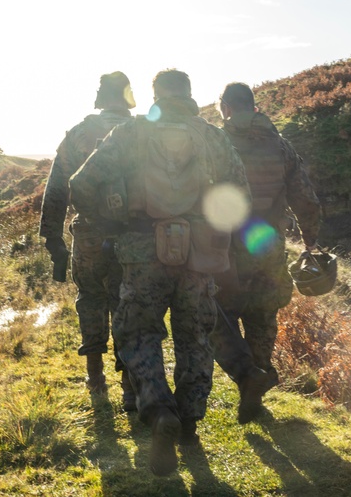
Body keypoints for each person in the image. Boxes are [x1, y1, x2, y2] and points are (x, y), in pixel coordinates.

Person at [69, 69, 250, 476]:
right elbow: (240, 191)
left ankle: (157, 409)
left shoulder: (130, 134)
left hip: (140, 251)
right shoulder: (211, 135)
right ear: (189, 94)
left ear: (153, 95)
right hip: (199, 255)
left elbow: (81, 183)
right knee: (196, 334)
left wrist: (111, 223)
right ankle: (188, 421)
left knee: (138, 333)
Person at [212, 82, 322, 423]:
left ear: (226, 108)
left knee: (216, 317)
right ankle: (255, 392)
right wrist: (310, 242)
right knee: (262, 317)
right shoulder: (280, 145)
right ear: (254, 106)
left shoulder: (215, 144)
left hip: (225, 246)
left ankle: (246, 377)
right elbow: (305, 199)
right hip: (269, 244)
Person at [39, 71, 136, 402]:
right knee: (127, 302)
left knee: (91, 300)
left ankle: (95, 379)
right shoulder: (141, 134)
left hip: (89, 235)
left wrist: (54, 241)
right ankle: (130, 386)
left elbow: (56, 192)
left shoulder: (78, 134)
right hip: (132, 237)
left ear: (100, 97)